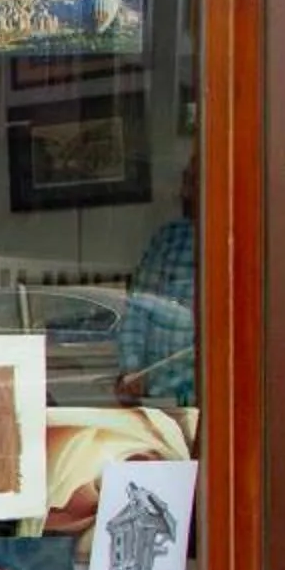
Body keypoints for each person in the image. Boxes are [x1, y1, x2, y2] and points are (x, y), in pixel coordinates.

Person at [116, 150, 199, 407]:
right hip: (160, 396)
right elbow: (137, 308)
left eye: (194, 181)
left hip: (216, 397)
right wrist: (132, 371)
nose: (184, 191)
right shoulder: (169, 238)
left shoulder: (246, 237)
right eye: (186, 180)